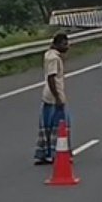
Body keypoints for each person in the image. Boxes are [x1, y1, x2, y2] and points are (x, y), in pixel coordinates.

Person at [33, 33, 70, 165]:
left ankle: (44, 152)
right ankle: (55, 153)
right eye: (64, 44)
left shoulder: (49, 55)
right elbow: (51, 78)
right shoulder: (54, 58)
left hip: (48, 95)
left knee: (47, 126)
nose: (67, 46)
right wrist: (58, 97)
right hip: (54, 96)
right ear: (57, 44)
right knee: (59, 126)